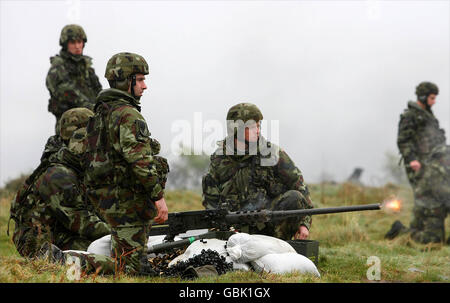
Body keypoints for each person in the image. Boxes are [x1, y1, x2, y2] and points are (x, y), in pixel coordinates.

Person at [79, 52, 169, 275]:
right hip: (128, 202)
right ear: (124, 81)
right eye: (139, 80)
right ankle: (70, 261)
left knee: (129, 262)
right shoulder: (128, 115)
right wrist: (158, 198)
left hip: (109, 200)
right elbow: (140, 160)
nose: (144, 86)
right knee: (130, 269)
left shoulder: (101, 113)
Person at [201, 103, 314, 241]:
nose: (258, 131)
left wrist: (304, 224)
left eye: (259, 126)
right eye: (252, 127)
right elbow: (211, 206)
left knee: (294, 197)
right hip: (234, 232)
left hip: (271, 227)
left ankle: (278, 249)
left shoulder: (272, 154)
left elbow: (299, 187)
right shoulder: (219, 160)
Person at [9, 108, 110, 258]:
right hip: (39, 243)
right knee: (105, 254)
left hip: (62, 233)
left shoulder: (77, 167)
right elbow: (79, 220)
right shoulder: (58, 174)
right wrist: (118, 234)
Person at [385, 82, 449, 244]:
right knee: (425, 198)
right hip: (420, 166)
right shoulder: (410, 116)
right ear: (423, 96)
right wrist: (412, 159)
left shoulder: (428, 115)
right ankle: (407, 232)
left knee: (428, 198)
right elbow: (403, 140)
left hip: (434, 165)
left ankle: (416, 229)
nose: (434, 101)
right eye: (432, 97)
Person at [46, 24, 102, 128]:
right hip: (69, 124)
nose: (77, 46)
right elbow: (65, 91)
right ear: (65, 44)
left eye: (79, 42)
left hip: (92, 121)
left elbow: (98, 91)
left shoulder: (86, 67)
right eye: (73, 42)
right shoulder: (58, 66)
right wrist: (89, 106)